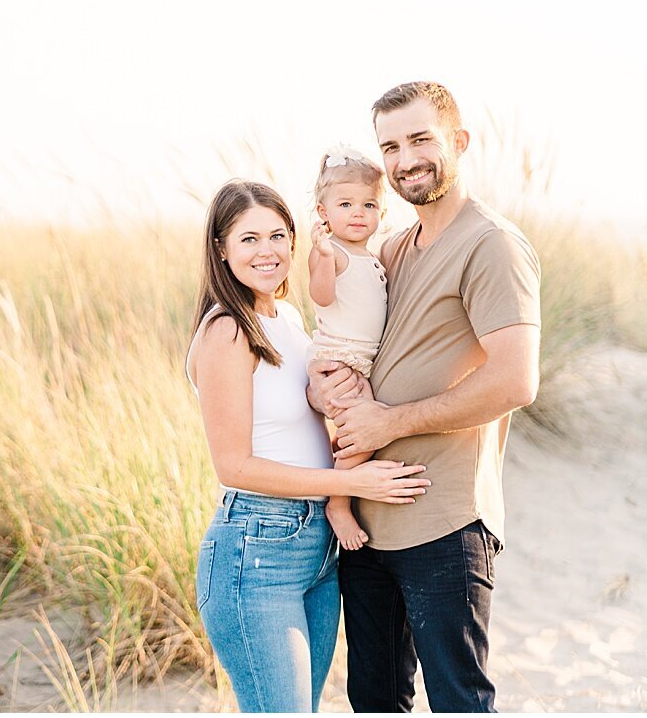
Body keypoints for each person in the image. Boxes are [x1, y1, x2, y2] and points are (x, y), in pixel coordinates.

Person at [308, 82, 541, 713]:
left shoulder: (490, 243)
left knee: (459, 702)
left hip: (443, 520)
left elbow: (516, 381)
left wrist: (388, 422)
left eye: (420, 139)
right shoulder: (389, 250)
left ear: (459, 142)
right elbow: (346, 332)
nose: (405, 158)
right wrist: (322, 382)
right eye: (390, 145)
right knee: (376, 702)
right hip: (368, 524)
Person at [186, 179, 432, 713]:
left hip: (318, 549)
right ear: (220, 249)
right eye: (248, 239)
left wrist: (323, 398)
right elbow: (235, 466)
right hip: (257, 548)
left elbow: (298, 417)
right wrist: (349, 484)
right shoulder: (227, 331)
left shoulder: (290, 320)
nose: (267, 251)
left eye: (277, 235)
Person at [306, 144, 390, 552]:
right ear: (324, 214)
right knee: (366, 433)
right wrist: (321, 256)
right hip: (340, 363)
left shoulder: (371, 256)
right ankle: (338, 503)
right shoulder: (333, 253)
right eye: (346, 204)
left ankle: (341, 482)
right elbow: (321, 297)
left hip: (359, 364)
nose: (358, 213)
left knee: (356, 434)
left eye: (369, 204)